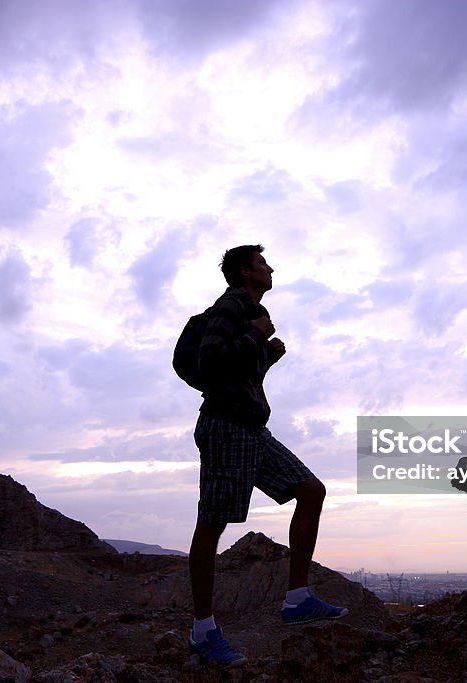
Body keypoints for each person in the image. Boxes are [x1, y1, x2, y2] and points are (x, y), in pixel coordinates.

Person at [187, 244, 347, 668]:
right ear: (244, 271)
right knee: (212, 523)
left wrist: (265, 355)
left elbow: (238, 373)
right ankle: (203, 631)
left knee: (311, 491)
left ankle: (297, 599)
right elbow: (211, 359)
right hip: (226, 427)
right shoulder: (233, 304)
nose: (270, 268)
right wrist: (257, 334)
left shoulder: (247, 312)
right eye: (262, 263)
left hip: (252, 429)